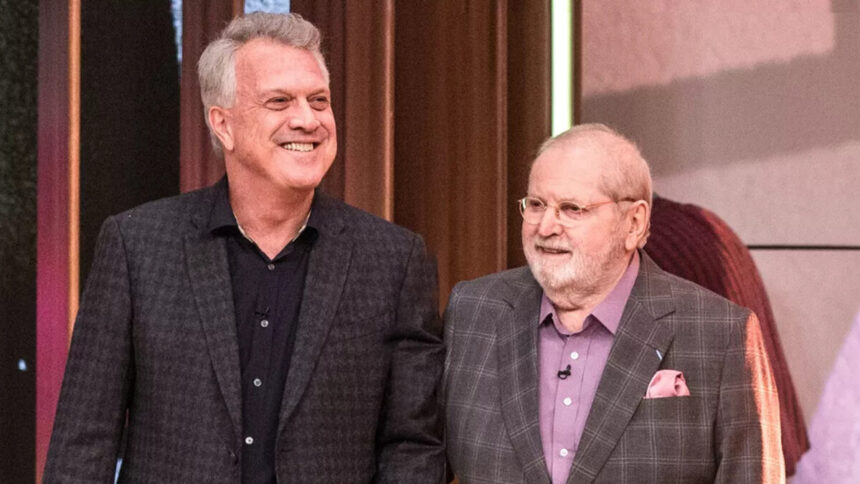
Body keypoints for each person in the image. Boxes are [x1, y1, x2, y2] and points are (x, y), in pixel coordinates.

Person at [44, 12, 444, 483]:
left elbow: (413, 445)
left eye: (319, 101)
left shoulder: (393, 261)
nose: (307, 119)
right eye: (280, 101)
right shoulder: (137, 247)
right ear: (223, 124)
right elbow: (83, 442)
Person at [443, 123, 784, 483]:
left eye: (572, 209)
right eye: (537, 205)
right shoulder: (473, 312)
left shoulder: (719, 333)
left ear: (634, 223)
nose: (545, 227)